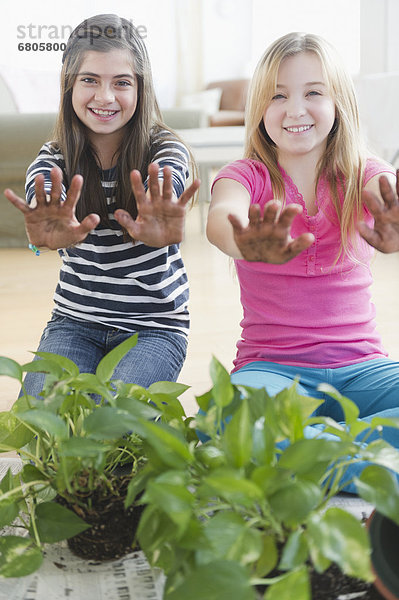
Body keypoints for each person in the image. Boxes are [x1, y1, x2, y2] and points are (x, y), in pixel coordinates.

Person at [207, 32, 399, 491]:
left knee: (255, 445)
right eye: (278, 96)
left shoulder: (360, 171)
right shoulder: (244, 176)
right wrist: (243, 239)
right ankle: (367, 459)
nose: (295, 109)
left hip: (363, 367)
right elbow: (220, 217)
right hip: (271, 369)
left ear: (339, 104)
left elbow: (387, 191)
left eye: (313, 93)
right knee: (228, 419)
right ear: (259, 109)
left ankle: (316, 448)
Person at [4, 14, 199, 397]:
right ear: (69, 85)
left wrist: (165, 206)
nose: (105, 97)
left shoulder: (163, 149)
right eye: (90, 80)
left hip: (154, 327)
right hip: (75, 322)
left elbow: (170, 177)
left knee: (110, 424)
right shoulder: (54, 158)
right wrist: (44, 227)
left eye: (121, 83)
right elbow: (42, 186)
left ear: (141, 89)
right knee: (42, 425)